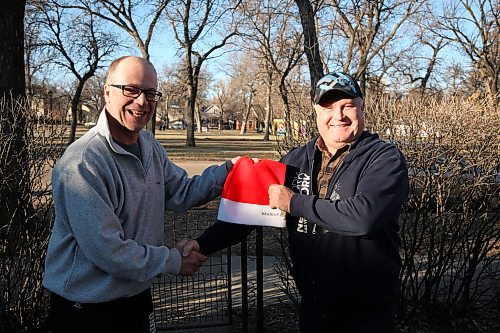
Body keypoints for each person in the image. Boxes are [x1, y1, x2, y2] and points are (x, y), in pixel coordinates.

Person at [184, 71, 409, 332]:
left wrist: (294, 203)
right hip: (313, 307)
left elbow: (363, 217)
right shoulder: (296, 160)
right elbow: (251, 213)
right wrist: (202, 243)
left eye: (347, 105)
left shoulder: (384, 158)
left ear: (362, 107)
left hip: (367, 312)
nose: (339, 116)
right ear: (316, 111)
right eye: (328, 107)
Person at [43, 55, 239, 333]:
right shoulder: (83, 163)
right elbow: (108, 251)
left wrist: (229, 171)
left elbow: (181, 192)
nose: (142, 101)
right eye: (131, 90)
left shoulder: (150, 147)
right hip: (86, 308)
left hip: (136, 296)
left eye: (150, 93)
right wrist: (173, 260)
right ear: (107, 92)